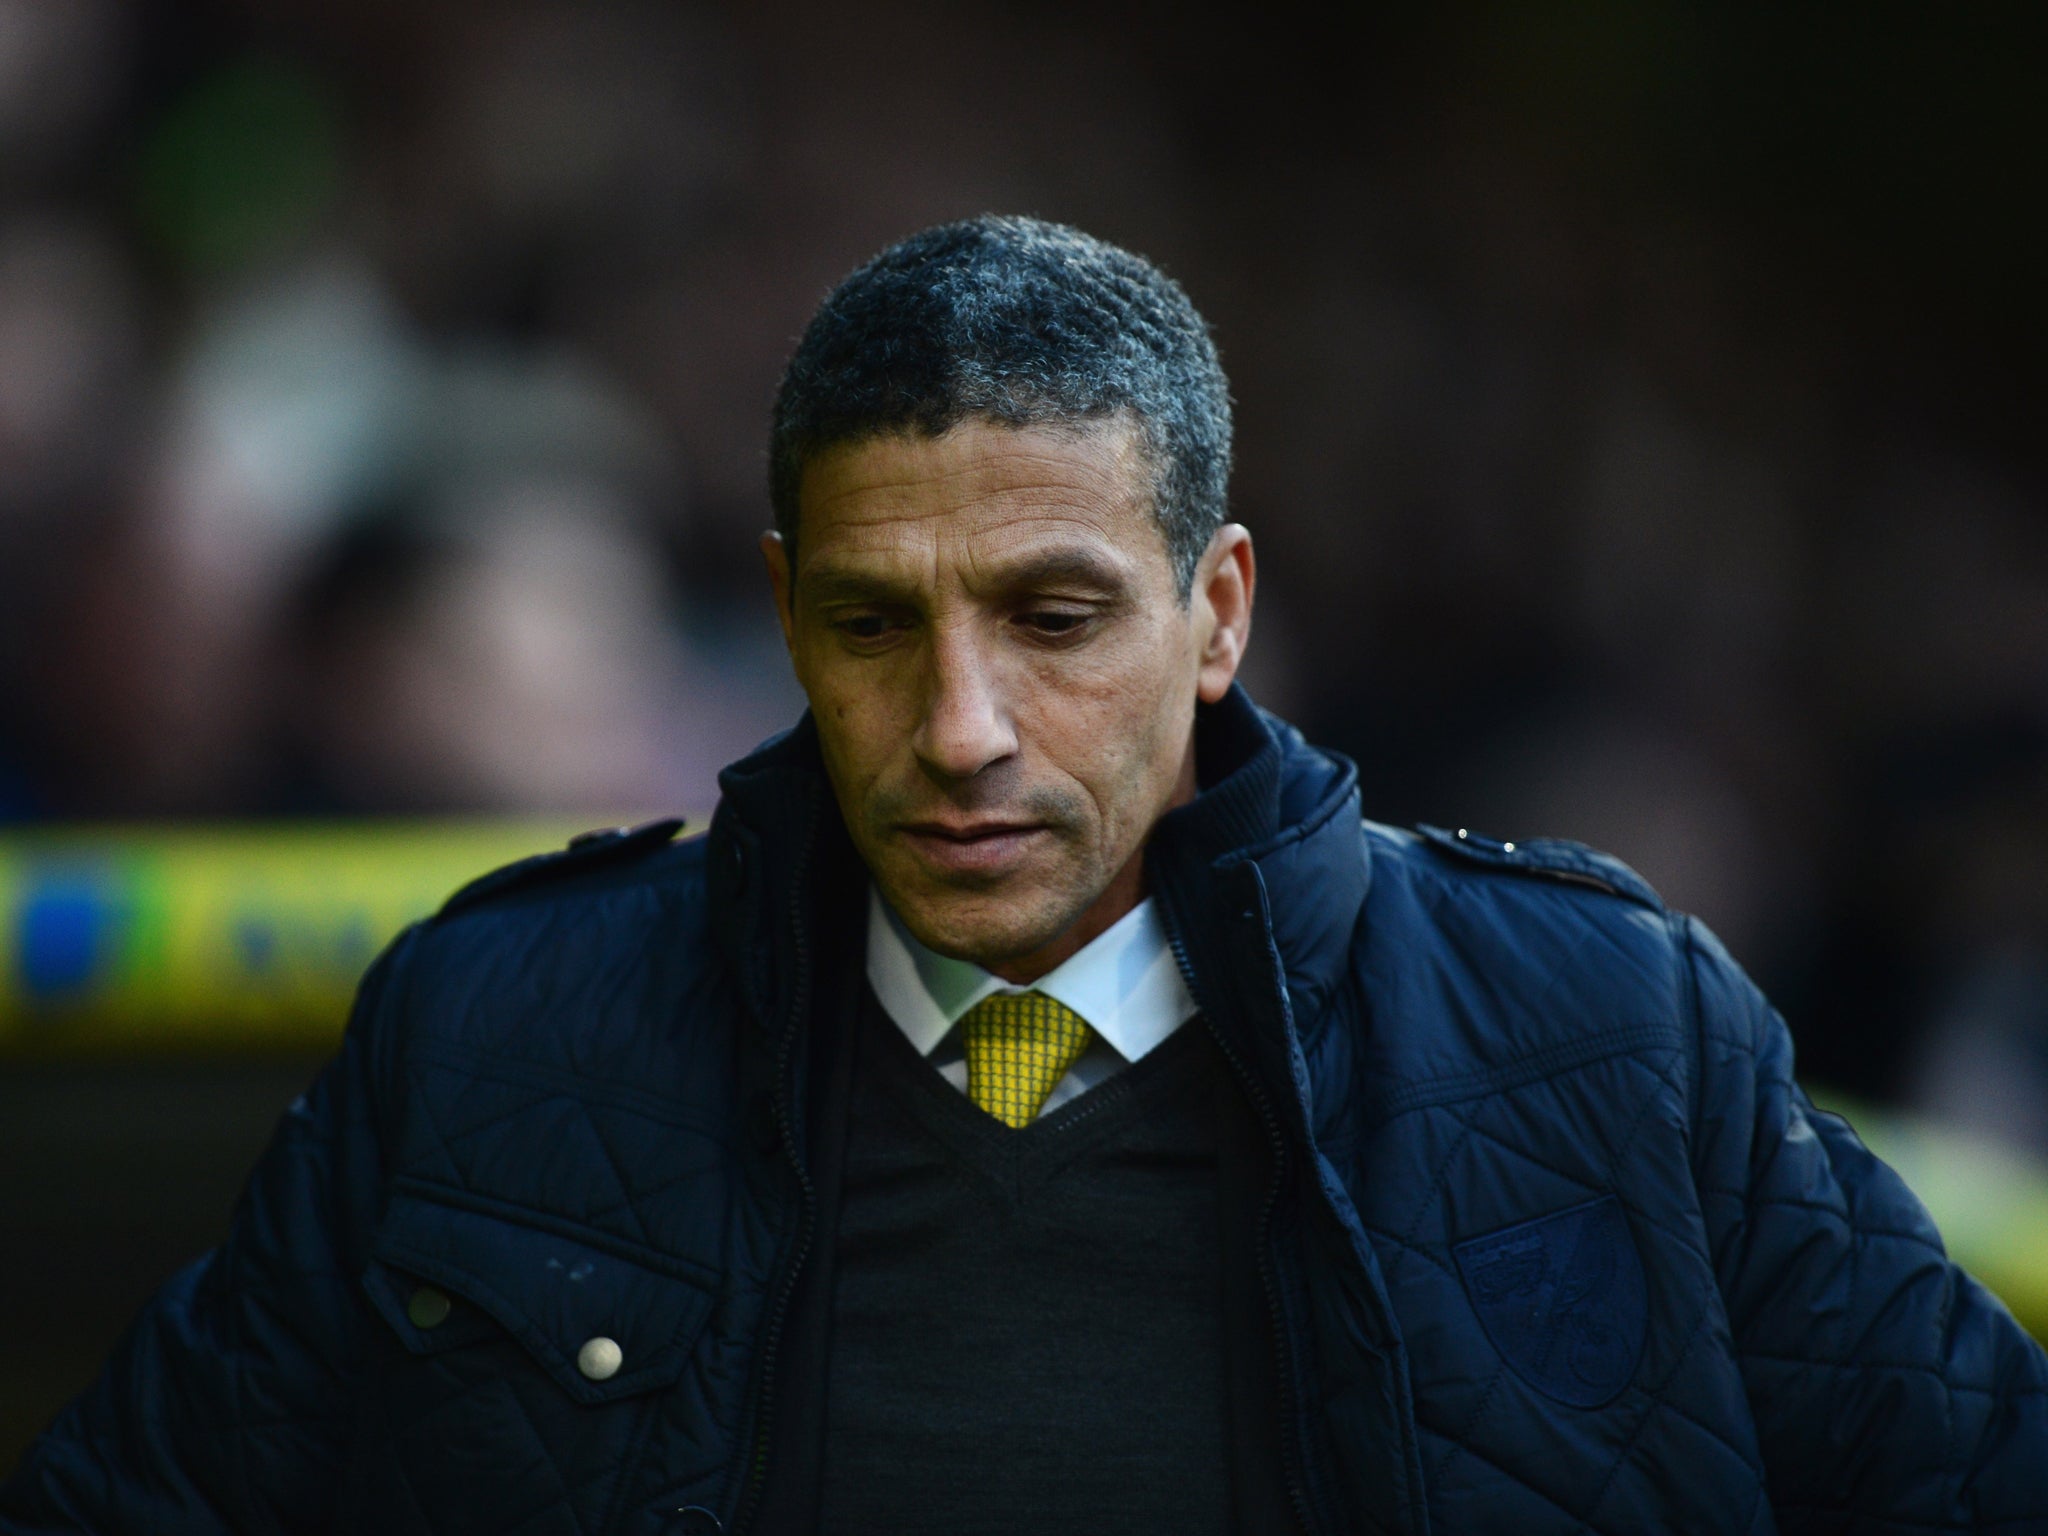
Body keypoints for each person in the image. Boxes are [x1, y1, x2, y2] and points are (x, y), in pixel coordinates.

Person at [4, 215, 2044, 1536]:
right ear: (786, 622)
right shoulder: (491, 1039)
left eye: (1056, 619)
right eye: (880, 627)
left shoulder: (1610, 1038)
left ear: (1217, 613)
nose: (963, 721)